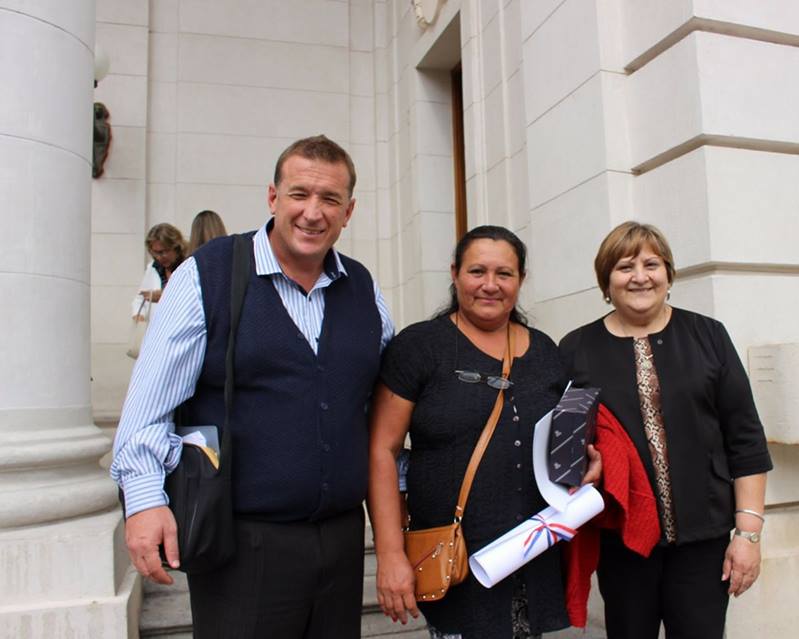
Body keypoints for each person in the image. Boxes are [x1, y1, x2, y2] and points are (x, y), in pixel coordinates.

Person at [111, 135, 394, 639]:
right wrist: (145, 501)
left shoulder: (364, 288)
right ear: (272, 197)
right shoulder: (208, 274)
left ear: (348, 212)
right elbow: (148, 408)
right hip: (241, 543)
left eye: (330, 199)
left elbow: (384, 406)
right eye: (299, 194)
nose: (313, 212)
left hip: (341, 541)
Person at [367, 226, 600, 639]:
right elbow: (382, 451)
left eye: (504, 274)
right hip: (459, 562)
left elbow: (558, 441)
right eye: (477, 271)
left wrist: (581, 467)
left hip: (532, 556)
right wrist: (389, 553)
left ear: (521, 279)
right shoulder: (420, 347)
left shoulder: (545, 351)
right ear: (455, 274)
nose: (490, 285)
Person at [559, 222, 772, 639]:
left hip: (704, 540)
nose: (640, 277)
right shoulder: (576, 348)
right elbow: (565, 444)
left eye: (651, 264)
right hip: (622, 541)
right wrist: (586, 465)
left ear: (669, 275)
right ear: (606, 282)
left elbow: (745, 439)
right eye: (625, 267)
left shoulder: (708, 335)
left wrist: (748, 535)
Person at [131, 223, 186, 319]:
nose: (159, 257)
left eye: (163, 252)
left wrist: (164, 296)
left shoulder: (188, 267)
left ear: (176, 247)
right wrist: (138, 314)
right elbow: (141, 297)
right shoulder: (153, 267)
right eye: (155, 253)